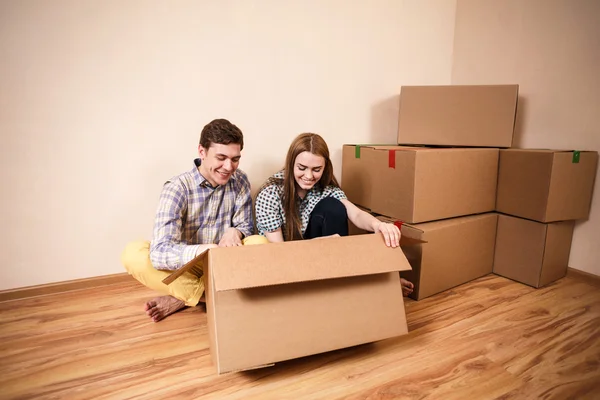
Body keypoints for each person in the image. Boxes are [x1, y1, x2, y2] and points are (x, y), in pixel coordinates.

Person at [121, 119, 268, 322]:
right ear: (202, 151)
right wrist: (203, 249)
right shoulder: (177, 188)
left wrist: (236, 231)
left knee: (260, 243)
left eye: (235, 159)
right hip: (186, 265)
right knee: (133, 254)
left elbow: (245, 226)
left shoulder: (240, 180)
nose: (229, 167)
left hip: (223, 262)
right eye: (221, 157)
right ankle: (210, 297)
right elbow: (160, 252)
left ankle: (182, 298)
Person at [255, 133, 414, 296]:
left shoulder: (325, 188)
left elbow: (356, 214)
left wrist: (378, 225)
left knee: (334, 207)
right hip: (286, 262)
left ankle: (346, 285)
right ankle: (356, 286)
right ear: (291, 164)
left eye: (316, 170)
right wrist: (316, 246)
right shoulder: (271, 193)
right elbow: (279, 252)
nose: (309, 176)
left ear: (325, 168)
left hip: (319, 260)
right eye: (302, 168)